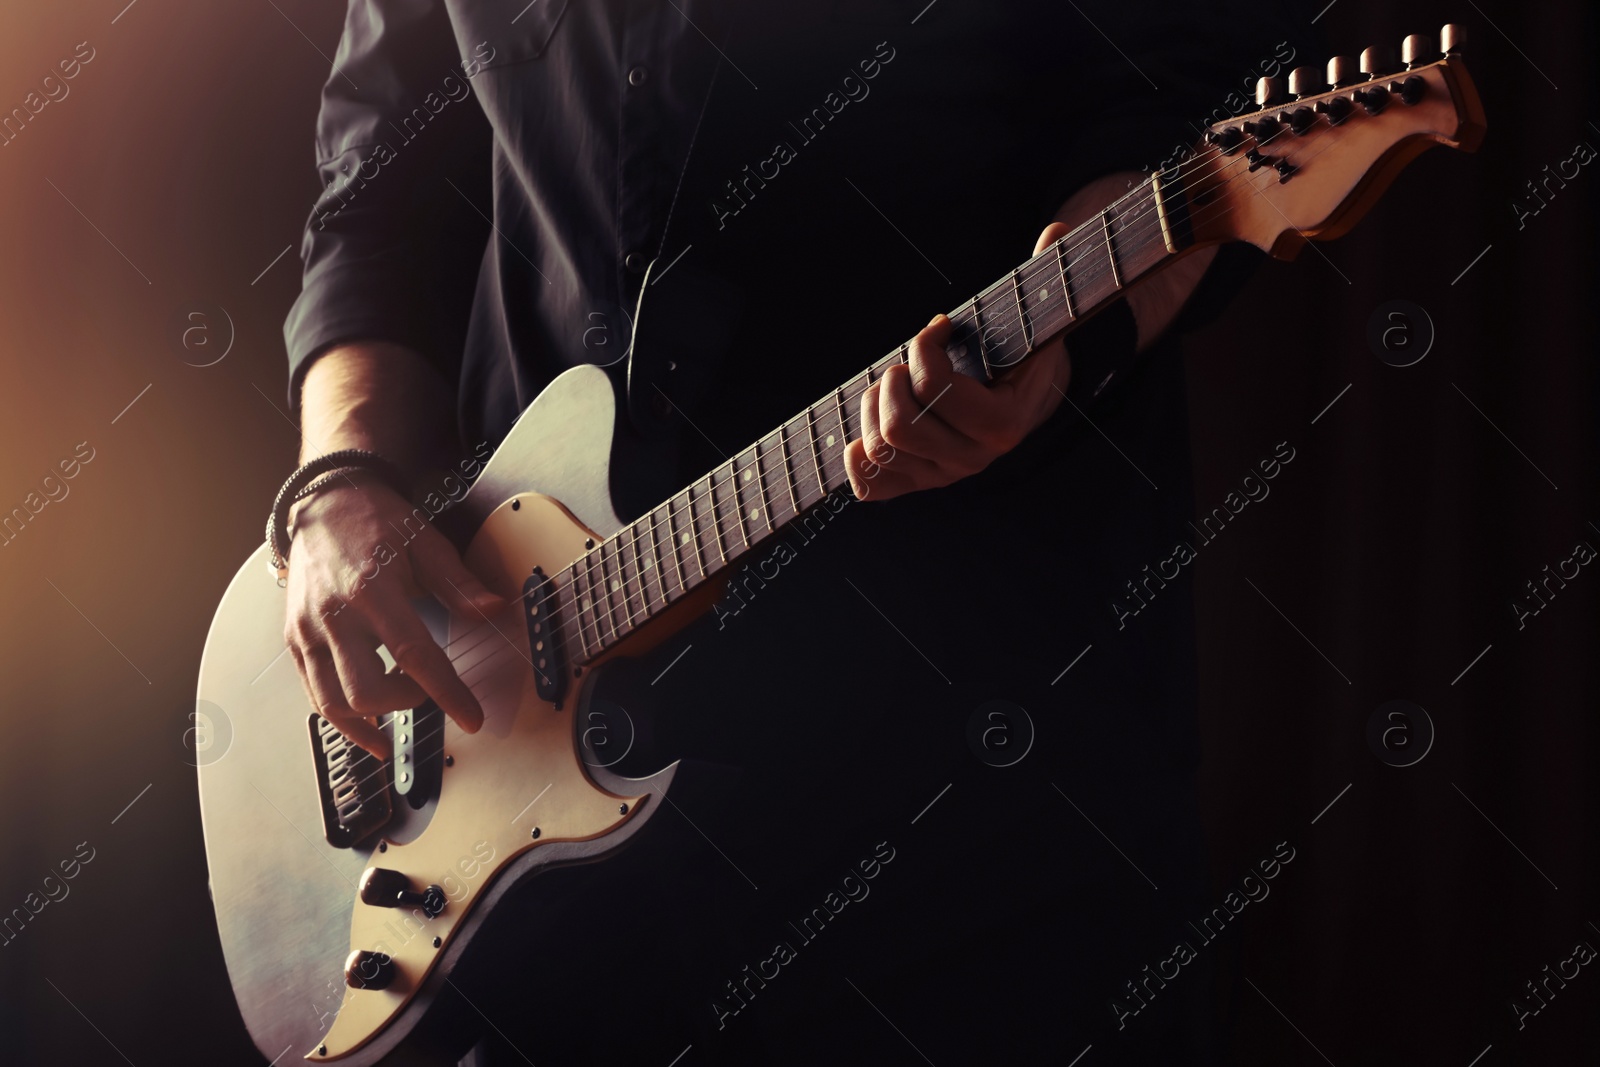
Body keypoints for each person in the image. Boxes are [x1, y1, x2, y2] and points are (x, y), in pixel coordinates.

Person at [279, 2, 1272, 1061]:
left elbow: (1190, 100)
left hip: (969, 772)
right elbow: (375, 204)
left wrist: (1061, 345)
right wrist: (338, 479)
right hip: (524, 816)